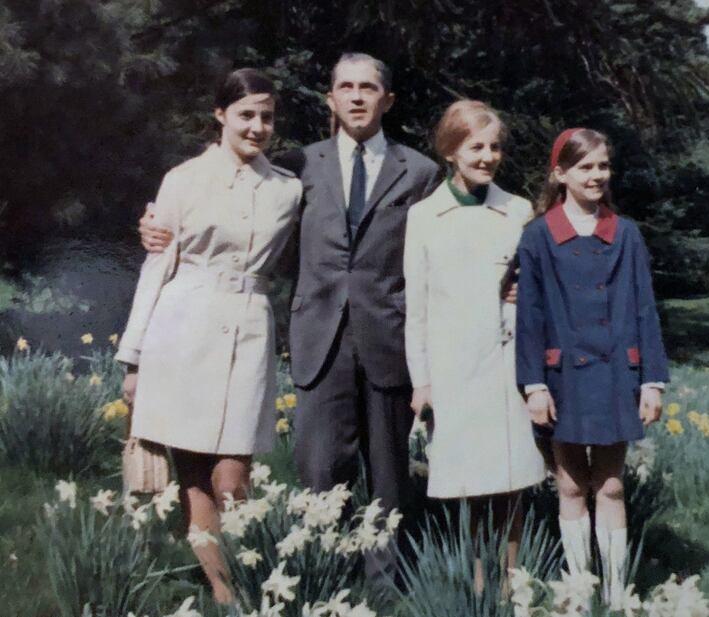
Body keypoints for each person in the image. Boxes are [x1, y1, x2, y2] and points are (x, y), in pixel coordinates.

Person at [139, 53, 440, 585]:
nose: (355, 97)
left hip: (388, 337)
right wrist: (155, 229)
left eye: (367, 87)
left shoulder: (420, 172)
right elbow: (231, 220)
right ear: (330, 99)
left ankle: (383, 589)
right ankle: (327, 578)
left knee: (390, 476)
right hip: (318, 336)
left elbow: (440, 252)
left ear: (386, 99)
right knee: (320, 468)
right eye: (344, 86)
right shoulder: (299, 168)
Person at [116, 68, 302, 604]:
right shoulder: (182, 179)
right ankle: (227, 596)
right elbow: (158, 266)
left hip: (248, 331)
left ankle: (250, 577)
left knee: (234, 478)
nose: (258, 126)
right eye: (246, 115)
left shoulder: (288, 189)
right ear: (220, 115)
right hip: (183, 328)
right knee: (195, 475)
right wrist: (134, 360)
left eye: (267, 117)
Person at [515, 128, 669, 608]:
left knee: (612, 484)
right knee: (568, 482)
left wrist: (652, 381)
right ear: (560, 174)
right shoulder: (540, 235)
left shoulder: (625, 234)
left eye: (603, 165)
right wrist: (534, 384)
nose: (597, 175)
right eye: (585, 166)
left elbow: (645, 308)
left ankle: (618, 591)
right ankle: (580, 589)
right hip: (563, 378)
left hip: (615, 375)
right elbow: (530, 314)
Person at [403, 100, 546, 592]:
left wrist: (526, 291)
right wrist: (421, 380)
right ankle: (477, 583)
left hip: (505, 362)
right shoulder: (424, 216)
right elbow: (416, 306)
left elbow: (535, 285)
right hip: (452, 366)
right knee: (470, 484)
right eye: (475, 147)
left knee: (510, 479)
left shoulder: (518, 210)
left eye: (494, 147)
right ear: (450, 151)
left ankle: (511, 581)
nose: (487, 157)